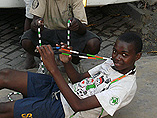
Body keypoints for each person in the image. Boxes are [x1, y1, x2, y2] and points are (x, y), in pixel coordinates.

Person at [0, 31, 143, 118]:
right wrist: (66, 62)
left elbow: (77, 105)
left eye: (124, 54)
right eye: (115, 51)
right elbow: (77, 79)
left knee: (4, 110)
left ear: (137, 57)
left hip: (64, 111)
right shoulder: (110, 64)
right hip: (62, 90)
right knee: (5, 75)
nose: (117, 57)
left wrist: (54, 69)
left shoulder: (124, 87)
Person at [20, 0, 101, 69]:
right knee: (26, 41)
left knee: (94, 43)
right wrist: (37, 24)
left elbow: (83, 29)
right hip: (49, 32)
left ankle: (75, 59)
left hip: (68, 33)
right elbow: (34, 23)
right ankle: (48, 59)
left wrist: (77, 24)